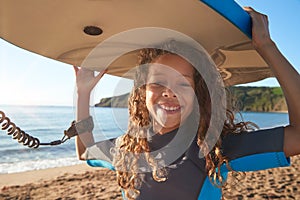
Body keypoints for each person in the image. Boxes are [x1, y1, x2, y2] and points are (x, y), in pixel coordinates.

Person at [72, 7, 300, 200]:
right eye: (159, 82)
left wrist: (267, 47)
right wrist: (83, 95)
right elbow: (85, 152)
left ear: (198, 95)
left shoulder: (213, 149)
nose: (169, 92)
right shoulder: (128, 148)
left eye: (182, 84)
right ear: (142, 92)